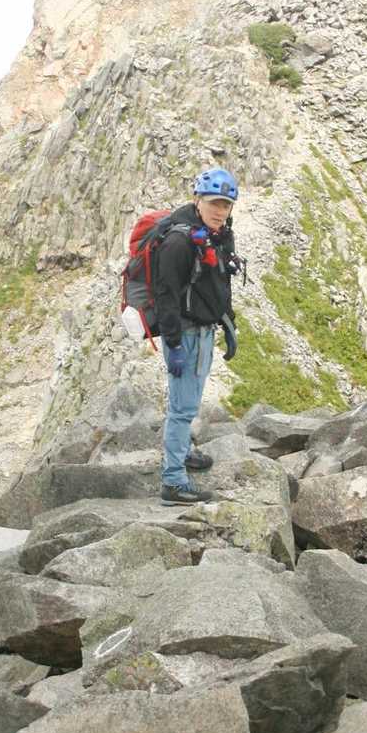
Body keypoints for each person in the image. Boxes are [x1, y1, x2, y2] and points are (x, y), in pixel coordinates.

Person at [154, 166, 240, 504]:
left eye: (226, 204)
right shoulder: (179, 242)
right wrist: (173, 343)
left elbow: (218, 284)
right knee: (182, 407)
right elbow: (165, 296)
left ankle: (184, 450)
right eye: (214, 203)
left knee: (188, 400)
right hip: (186, 334)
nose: (220, 211)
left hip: (204, 331)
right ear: (198, 200)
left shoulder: (216, 234)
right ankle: (173, 481)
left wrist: (228, 324)